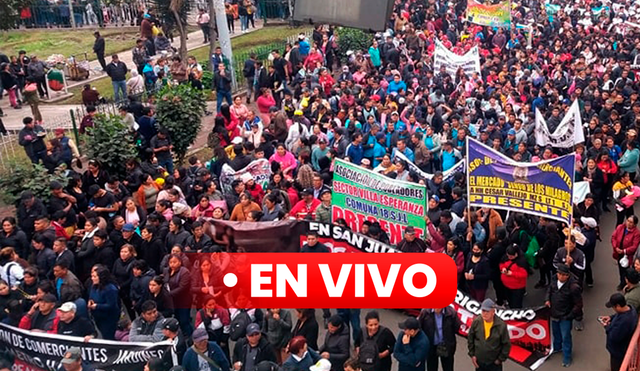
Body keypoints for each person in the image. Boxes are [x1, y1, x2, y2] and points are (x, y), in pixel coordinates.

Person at [545, 264, 583, 367]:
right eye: (559, 274)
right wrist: (547, 299)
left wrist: (570, 315)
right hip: (554, 313)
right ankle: (557, 347)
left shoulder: (574, 287)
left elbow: (578, 304)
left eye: (563, 275)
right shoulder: (554, 280)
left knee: (566, 336)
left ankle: (567, 357)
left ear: (567, 275)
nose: (560, 276)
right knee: (556, 333)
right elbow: (549, 290)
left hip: (565, 316)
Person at [467, 299, 511, 371]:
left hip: (494, 364)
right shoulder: (477, 322)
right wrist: (472, 355)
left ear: (493, 312)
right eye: (483, 311)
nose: (484, 313)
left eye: (487, 311)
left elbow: (506, 344)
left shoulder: (501, 326)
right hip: (479, 362)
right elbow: (470, 338)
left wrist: (500, 359)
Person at [602, 293, 638, 371]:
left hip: (618, 351)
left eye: (613, 306)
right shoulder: (631, 309)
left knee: (617, 367)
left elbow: (614, 337)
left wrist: (606, 326)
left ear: (618, 306)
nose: (613, 308)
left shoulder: (624, 322)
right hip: (622, 348)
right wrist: (610, 318)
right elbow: (618, 315)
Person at [418, 306, 461, 371]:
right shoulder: (425, 312)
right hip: (431, 346)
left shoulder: (451, 313)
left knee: (448, 368)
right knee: (431, 368)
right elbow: (419, 327)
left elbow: (456, 327)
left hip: (446, 345)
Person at [88, 265, 120, 340]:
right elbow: (91, 296)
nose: (92, 278)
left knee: (108, 336)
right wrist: (90, 301)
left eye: (95, 277)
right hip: (98, 317)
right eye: (92, 276)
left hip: (108, 319)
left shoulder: (110, 289)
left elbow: (112, 305)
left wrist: (97, 306)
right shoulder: (94, 286)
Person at [611, 216, 640, 290]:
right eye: (628, 221)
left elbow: (634, 246)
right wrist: (615, 247)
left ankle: (629, 284)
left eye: (631, 222)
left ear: (635, 224)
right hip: (619, 253)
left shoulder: (636, 233)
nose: (628, 223)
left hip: (628, 256)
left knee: (628, 271)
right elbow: (613, 237)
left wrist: (624, 251)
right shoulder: (620, 227)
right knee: (621, 269)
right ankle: (622, 282)